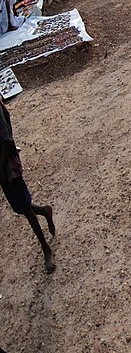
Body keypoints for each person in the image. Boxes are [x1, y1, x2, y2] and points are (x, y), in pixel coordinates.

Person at [0, 96, 56, 273]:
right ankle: (44, 210)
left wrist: (0, 169)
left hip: (8, 168)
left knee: (24, 209)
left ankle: (46, 248)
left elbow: (6, 140)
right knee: (20, 205)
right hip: (3, 170)